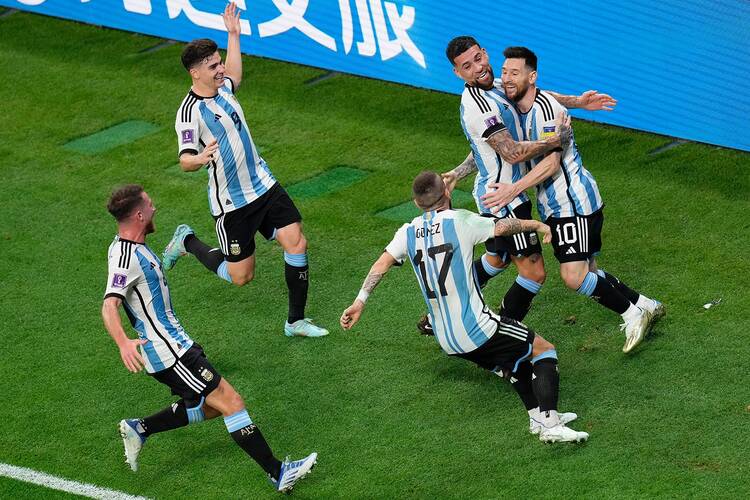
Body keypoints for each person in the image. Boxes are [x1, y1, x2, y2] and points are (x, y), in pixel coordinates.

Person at [341, 172, 589, 443]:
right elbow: (504, 227)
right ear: (446, 193)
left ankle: (537, 418)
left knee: (514, 364)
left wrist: (359, 302)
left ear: (415, 203)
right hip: (476, 328)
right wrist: (538, 226)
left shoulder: (407, 232)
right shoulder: (461, 221)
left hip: (446, 338)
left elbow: (380, 265)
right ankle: (551, 424)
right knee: (543, 350)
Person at [101, 184, 317, 492]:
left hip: (176, 346)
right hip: (170, 352)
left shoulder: (129, 246)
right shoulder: (126, 259)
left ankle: (141, 428)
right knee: (232, 402)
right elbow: (110, 304)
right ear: (138, 214)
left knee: (212, 407)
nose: (154, 209)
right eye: (149, 205)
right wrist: (123, 342)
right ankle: (278, 472)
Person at [480, 46, 663, 353]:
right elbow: (544, 96)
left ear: (531, 76)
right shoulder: (519, 103)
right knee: (588, 272)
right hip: (558, 203)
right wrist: (578, 101)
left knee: (574, 276)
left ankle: (633, 314)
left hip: (572, 203)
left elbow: (551, 164)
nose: (506, 78)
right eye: (505, 72)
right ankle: (645, 304)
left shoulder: (546, 112)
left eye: (514, 73)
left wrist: (512, 190)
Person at [433, 36, 618, 334]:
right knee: (533, 273)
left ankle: (443, 306)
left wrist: (578, 103)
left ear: (484, 53)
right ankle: (501, 334)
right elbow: (510, 151)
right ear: (458, 73)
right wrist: (555, 140)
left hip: (499, 191)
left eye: (478, 58)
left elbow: (530, 97)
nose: (477, 68)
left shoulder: (494, 84)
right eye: (467, 66)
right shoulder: (478, 106)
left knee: (497, 258)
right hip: (503, 197)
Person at [164, 2, 327, 338]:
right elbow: (184, 160)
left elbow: (235, 74)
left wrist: (233, 34)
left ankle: (295, 321)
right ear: (195, 73)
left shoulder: (224, 87)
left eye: (219, 61)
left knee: (296, 243)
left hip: (263, 185)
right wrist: (201, 157)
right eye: (212, 66)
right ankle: (187, 241)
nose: (220, 69)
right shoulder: (188, 112)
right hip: (233, 204)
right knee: (241, 276)